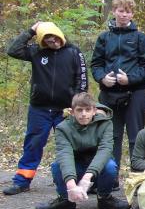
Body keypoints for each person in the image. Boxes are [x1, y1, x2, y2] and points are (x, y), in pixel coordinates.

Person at [4, 21, 87, 195]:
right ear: (42, 40)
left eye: (55, 38)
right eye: (48, 39)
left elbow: (82, 79)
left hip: (65, 109)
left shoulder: (73, 52)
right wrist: (31, 30)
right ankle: (22, 181)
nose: (53, 42)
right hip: (39, 108)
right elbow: (13, 50)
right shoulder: (36, 52)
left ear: (60, 36)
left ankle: (77, 181)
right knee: (33, 143)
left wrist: (77, 105)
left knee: (73, 145)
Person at [35, 92, 130, 209]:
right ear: (72, 112)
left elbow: (105, 150)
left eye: (87, 110)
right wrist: (71, 185)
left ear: (94, 111)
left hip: (97, 171)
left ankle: (104, 198)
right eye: (79, 110)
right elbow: (65, 155)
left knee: (110, 166)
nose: (84, 114)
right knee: (57, 165)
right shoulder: (62, 128)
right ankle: (65, 200)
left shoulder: (106, 124)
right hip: (75, 167)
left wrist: (87, 177)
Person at [90, 0, 145, 175]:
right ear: (114, 12)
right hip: (109, 94)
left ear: (132, 14)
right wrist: (102, 78)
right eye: (121, 10)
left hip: (135, 92)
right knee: (111, 136)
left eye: (128, 11)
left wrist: (130, 79)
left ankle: (138, 176)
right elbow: (96, 64)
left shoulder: (140, 38)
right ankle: (110, 178)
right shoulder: (104, 38)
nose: (124, 14)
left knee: (136, 136)